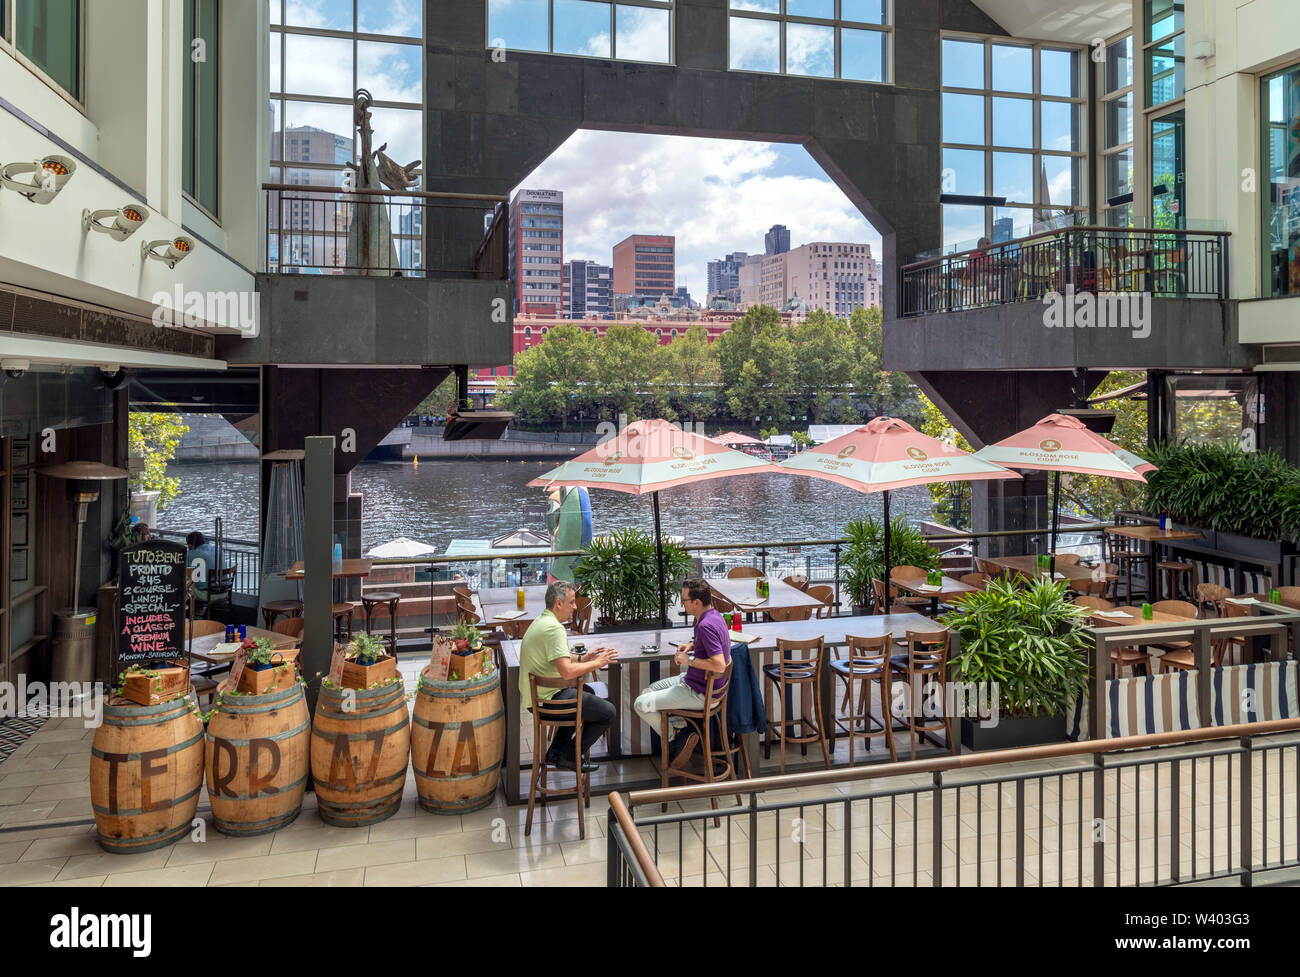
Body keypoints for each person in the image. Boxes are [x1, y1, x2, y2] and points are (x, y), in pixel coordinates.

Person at [518, 581, 618, 773]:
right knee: (608, 713)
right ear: (558, 603)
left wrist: (583, 657)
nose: (574, 607)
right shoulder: (555, 629)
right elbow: (567, 672)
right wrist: (598, 662)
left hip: (536, 698)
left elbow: (558, 655)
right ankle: (569, 756)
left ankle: (555, 752)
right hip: (548, 701)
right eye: (572, 602)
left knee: (587, 694)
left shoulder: (542, 621)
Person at [633, 577, 731, 763]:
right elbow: (711, 644)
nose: (682, 604)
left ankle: (675, 738)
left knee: (641, 704)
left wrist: (690, 660)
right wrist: (691, 645)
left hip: (699, 692)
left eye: (684, 600)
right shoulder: (714, 616)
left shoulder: (705, 626)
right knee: (650, 690)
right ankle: (681, 728)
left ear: (697, 602)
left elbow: (719, 664)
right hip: (698, 683)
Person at [185, 531, 216, 599]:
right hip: (225, 592)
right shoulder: (217, 550)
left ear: (190, 545)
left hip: (207, 595)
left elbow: (185, 573)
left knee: (182, 589)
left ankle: (185, 609)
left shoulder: (190, 554)